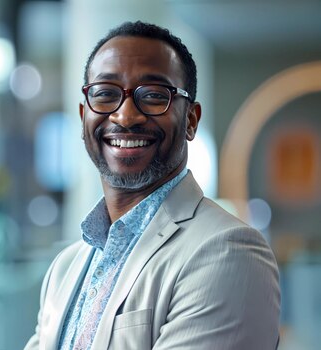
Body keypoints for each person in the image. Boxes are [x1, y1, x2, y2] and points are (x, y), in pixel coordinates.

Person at [25, 21, 280, 350]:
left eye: (154, 96)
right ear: (83, 115)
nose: (126, 116)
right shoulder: (65, 267)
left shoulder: (228, 251)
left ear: (191, 120)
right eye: (105, 94)